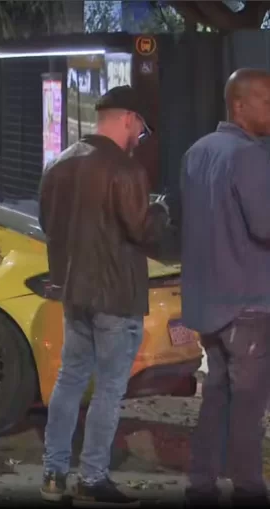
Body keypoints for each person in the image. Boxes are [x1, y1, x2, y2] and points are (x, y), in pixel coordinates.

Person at [38, 85, 168, 507]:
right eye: (141, 130)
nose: (139, 138)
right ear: (129, 118)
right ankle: (93, 476)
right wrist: (161, 212)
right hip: (116, 296)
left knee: (70, 379)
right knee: (110, 389)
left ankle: (54, 474)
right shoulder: (125, 170)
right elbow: (142, 231)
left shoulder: (58, 164)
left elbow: (47, 224)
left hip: (74, 292)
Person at [180, 68, 270, 506]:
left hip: (207, 304)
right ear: (239, 105)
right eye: (267, 102)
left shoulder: (197, 152)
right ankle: (250, 488)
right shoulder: (249, 155)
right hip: (248, 303)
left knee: (216, 397)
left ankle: (201, 483)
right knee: (249, 406)